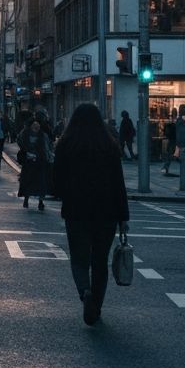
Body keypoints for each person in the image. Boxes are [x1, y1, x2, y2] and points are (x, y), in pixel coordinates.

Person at [52, 102, 130, 326]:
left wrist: (66, 192)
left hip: (76, 211)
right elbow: (119, 185)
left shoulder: (66, 145)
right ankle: (96, 304)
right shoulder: (109, 146)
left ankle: (84, 292)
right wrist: (123, 217)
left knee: (79, 258)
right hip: (106, 213)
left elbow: (56, 185)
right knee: (99, 261)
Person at [18, 118, 51, 210]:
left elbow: (47, 147)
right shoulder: (25, 134)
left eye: (38, 125)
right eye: (34, 125)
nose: (36, 126)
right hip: (28, 162)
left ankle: (40, 202)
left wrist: (48, 156)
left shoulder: (43, 135)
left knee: (41, 183)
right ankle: (26, 199)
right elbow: (20, 142)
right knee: (28, 181)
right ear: (31, 126)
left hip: (40, 161)